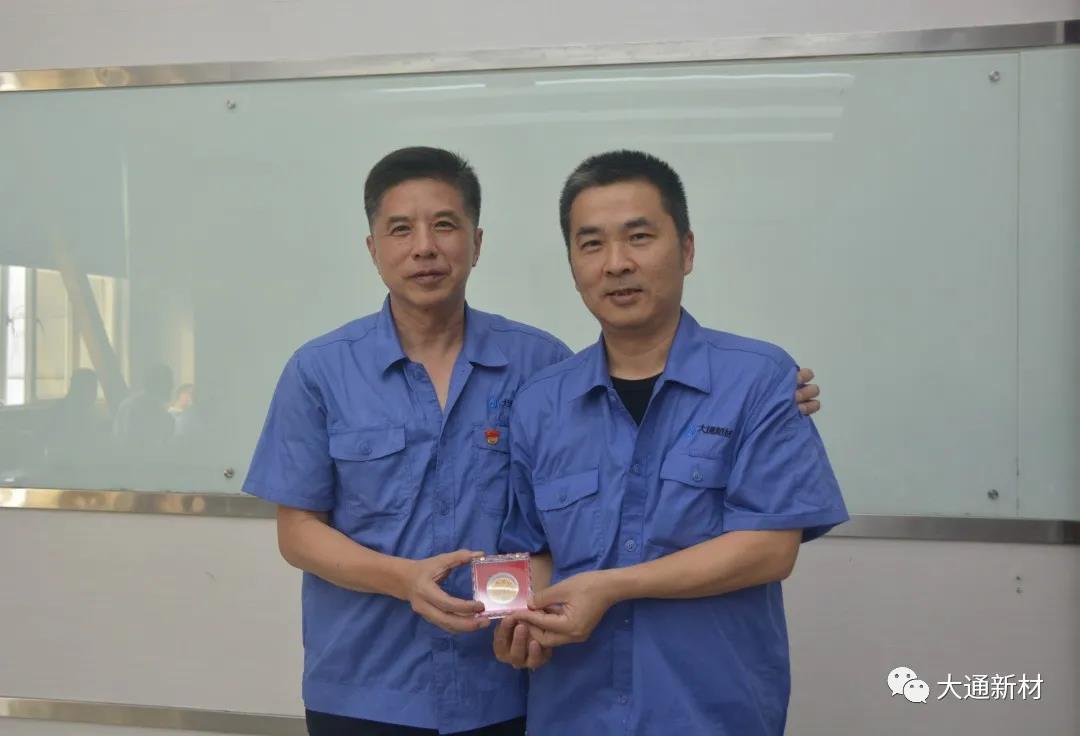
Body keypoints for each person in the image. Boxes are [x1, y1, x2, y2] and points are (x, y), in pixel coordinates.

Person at [242, 147, 823, 735]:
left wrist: (771, 393)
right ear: (372, 248)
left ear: (476, 242)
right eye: (400, 229)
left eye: (445, 225)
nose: (424, 247)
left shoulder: (542, 369)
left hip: (526, 694)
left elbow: (764, 544)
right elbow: (300, 531)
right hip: (371, 683)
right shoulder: (325, 371)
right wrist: (478, 607)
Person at [497, 150, 848, 736]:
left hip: (712, 712)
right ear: (573, 265)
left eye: (639, 237)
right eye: (591, 244)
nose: (616, 263)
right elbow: (534, 548)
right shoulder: (540, 403)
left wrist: (612, 587)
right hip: (573, 712)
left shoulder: (757, 380)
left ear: (686, 250)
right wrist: (521, 622)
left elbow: (769, 549)